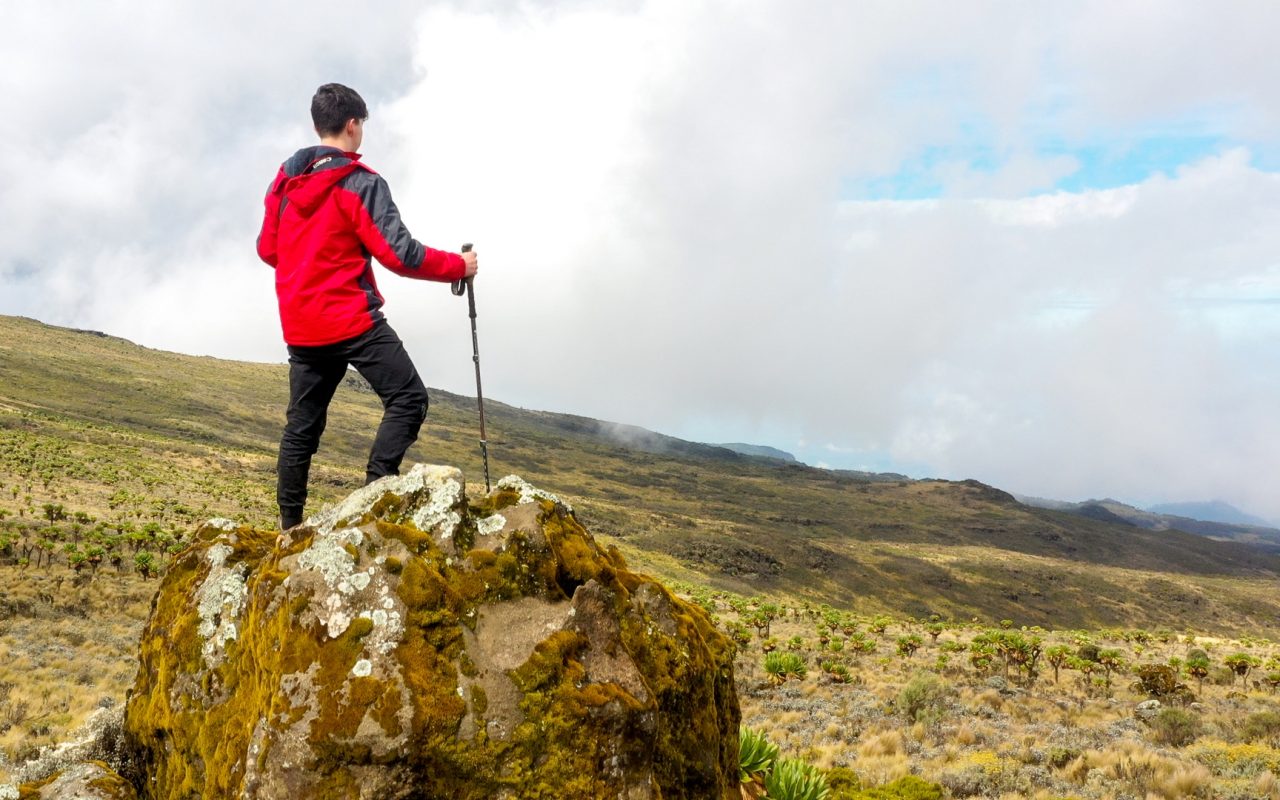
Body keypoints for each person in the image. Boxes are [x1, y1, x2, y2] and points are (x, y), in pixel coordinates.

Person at [256, 82, 478, 530]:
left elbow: (268, 249)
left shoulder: (284, 184)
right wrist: (460, 266)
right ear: (353, 125)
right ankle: (375, 494)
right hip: (352, 322)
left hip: (301, 326)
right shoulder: (361, 184)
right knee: (409, 399)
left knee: (302, 428)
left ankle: (289, 527)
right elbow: (402, 256)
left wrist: (309, 264)